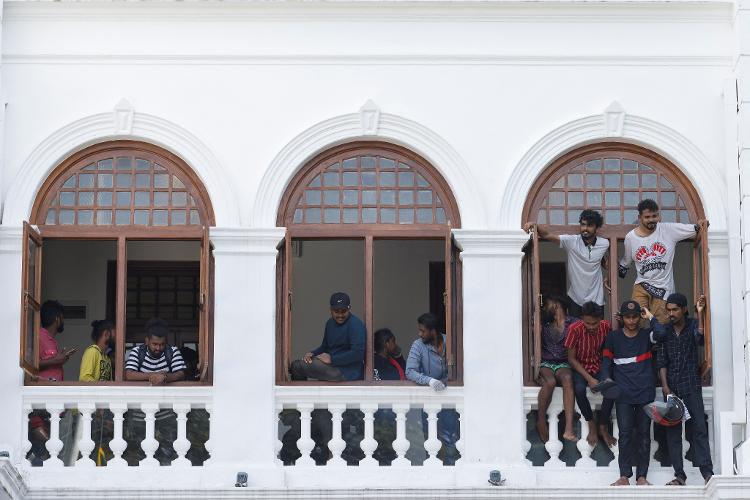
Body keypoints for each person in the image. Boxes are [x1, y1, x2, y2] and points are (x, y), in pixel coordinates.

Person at [601, 300, 668, 486]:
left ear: (640, 317)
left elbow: (662, 333)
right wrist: (606, 380)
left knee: (644, 435)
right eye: (627, 317)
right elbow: (606, 364)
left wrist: (651, 317)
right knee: (625, 435)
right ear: (621, 318)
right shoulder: (613, 338)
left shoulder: (647, 335)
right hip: (623, 395)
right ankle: (624, 476)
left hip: (645, 393)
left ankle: (642, 477)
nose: (631, 321)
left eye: (635, 316)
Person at [618, 199, 707, 324]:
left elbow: (696, 229)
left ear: (658, 215)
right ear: (640, 217)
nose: (651, 220)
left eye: (654, 216)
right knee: (634, 317)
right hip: (642, 284)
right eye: (647, 217)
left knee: (661, 324)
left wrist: (701, 224)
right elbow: (626, 261)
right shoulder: (630, 238)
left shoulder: (668, 230)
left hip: (663, 288)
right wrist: (618, 272)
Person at [657, 293, 714, 485]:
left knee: (699, 429)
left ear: (684, 310)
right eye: (669, 310)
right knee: (673, 435)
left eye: (674, 310)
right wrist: (665, 387)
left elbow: (699, 339)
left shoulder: (692, 325)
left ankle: (708, 473)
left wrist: (700, 314)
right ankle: (679, 475)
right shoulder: (664, 331)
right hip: (672, 389)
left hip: (691, 385)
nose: (671, 313)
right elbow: (662, 362)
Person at [524, 209, 609, 318]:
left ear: (596, 228)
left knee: (597, 332)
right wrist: (535, 225)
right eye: (583, 225)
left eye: (590, 225)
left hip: (597, 299)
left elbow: (608, 264)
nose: (585, 229)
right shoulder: (572, 242)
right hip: (575, 299)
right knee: (574, 331)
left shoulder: (604, 244)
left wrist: (608, 278)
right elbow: (548, 235)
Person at [406, 313, 459, 465]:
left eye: (423, 330)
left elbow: (461, 370)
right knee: (432, 439)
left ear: (433, 331)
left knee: (452, 439)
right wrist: (429, 381)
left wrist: (448, 380)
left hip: (451, 400)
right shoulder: (418, 345)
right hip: (429, 401)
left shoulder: (451, 342)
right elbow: (410, 371)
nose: (419, 333)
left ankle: (451, 469)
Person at [27, 300, 76, 465]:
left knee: (49, 451)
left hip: (52, 404)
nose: (63, 321)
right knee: (43, 441)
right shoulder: (39, 336)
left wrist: (59, 359)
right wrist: (57, 359)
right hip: (40, 400)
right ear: (57, 318)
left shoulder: (52, 340)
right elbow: (31, 364)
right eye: (62, 317)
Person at [564, 301, 616, 447]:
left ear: (600, 319)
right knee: (579, 390)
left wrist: (601, 376)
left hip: (598, 365)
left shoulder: (606, 326)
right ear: (582, 319)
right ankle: (591, 423)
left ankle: (603, 425)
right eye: (588, 323)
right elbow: (571, 359)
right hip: (580, 366)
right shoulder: (574, 329)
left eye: (595, 323)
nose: (591, 327)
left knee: (611, 389)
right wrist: (590, 379)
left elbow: (609, 351)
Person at [290, 292, 366, 382]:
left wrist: (332, 359)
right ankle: (300, 395)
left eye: (344, 311)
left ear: (349, 308)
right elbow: (325, 347)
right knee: (297, 365)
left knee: (297, 366)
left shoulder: (355, 324)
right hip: (332, 366)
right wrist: (312, 353)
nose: (340, 315)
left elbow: (358, 354)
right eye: (336, 312)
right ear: (330, 309)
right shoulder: (330, 323)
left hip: (348, 372)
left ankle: (300, 395)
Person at [535, 295, 577, 443]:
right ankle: (540, 421)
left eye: (548, 303)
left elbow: (590, 326)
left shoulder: (574, 324)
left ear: (557, 304)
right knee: (550, 382)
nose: (545, 307)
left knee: (567, 379)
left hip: (563, 363)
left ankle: (569, 428)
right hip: (546, 363)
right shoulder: (545, 326)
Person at [372, 328, 406, 465]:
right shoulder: (375, 362)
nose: (395, 344)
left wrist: (398, 354)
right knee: (384, 448)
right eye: (393, 341)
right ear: (386, 343)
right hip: (382, 413)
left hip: (396, 411)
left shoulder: (392, 361)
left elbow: (405, 372)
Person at [124, 318, 186, 384]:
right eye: (155, 344)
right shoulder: (137, 351)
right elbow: (128, 375)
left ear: (166, 342)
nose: (158, 348)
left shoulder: (173, 351)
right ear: (147, 341)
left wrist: (165, 377)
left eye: (162, 344)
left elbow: (181, 374)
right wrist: (153, 375)